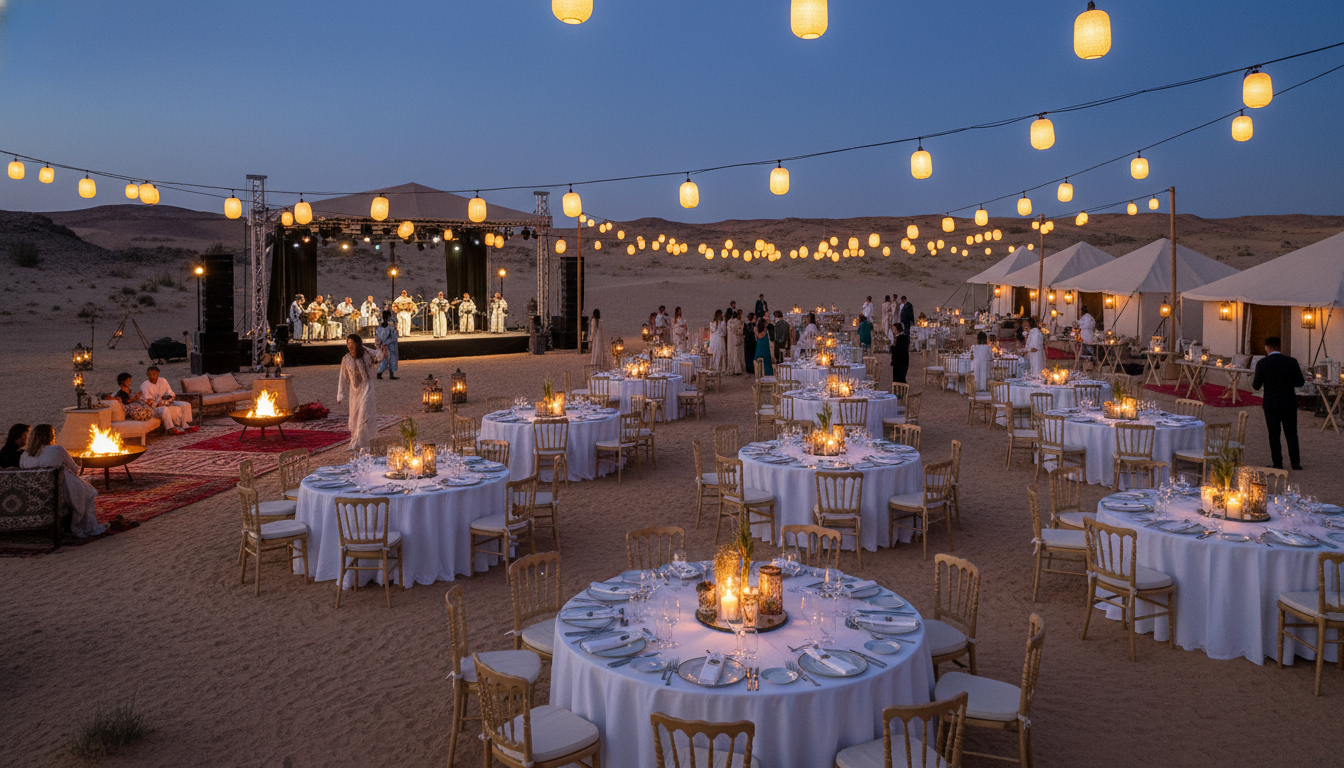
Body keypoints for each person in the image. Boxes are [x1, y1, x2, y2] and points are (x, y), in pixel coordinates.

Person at [21, 424, 104, 538]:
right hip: (57, 491)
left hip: (33, 494)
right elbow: (74, 468)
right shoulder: (57, 449)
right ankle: (80, 524)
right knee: (89, 492)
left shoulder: (24, 455)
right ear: (50, 436)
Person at [1252, 337, 1305, 470]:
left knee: (1274, 435)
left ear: (1266, 348)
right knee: (1291, 433)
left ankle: (1277, 463)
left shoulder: (1263, 363)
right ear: (1280, 347)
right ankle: (1295, 462)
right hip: (1288, 402)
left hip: (1271, 403)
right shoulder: (1291, 362)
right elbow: (1300, 382)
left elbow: (1256, 386)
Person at [337, 334, 378, 453]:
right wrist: (340, 394)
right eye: (348, 343)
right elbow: (343, 377)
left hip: (367, 388)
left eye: (352, 343)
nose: (350, 346)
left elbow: (378, 355)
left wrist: (382, 351)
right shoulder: (346, 359)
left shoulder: (366, 354)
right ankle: (358, 440)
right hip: (355, 392)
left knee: (363, 415)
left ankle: (359, 443)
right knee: (355, 417)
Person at [139, 366, 193, 434]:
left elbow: (171, 394)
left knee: (181, 407)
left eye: (154, 374)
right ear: (147, 374)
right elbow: (150, 403)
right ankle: (171, 429)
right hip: (151, 409)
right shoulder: (145, 385)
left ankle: (186, 426)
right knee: (164, 409)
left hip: (164, 403)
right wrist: (161, 403)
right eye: (150, 374)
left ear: (158, 373)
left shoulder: (163, 381)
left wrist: (168, 401)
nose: (152, 376)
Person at [375, 310, 399, 380]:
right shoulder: (391, 327)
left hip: (384, 344)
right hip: (391, 345)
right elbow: (394, 335)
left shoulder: (379, 328)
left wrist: (378, 345)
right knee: (391, 359)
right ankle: (389, 374)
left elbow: (377, 337)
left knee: (386, 359)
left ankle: (380, 372)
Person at [726, 309, 745, 375]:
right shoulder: (739, 322)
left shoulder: (729, 322)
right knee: (736, 355)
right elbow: (740, 332)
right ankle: (737, 369)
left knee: (731, 354)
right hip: (736, 340)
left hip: (730, 341)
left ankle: (731, 368)